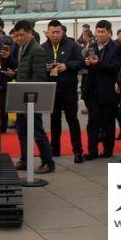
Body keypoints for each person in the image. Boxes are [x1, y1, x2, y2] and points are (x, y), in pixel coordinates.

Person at [11, 20, 54, 174]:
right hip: (22, 96)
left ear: (30, 33)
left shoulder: (37, 50)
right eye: (16, 36)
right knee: (21, 130)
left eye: (22, 35)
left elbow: (38, 77)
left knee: (37, 130)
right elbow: (24, 71)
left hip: (31, 98)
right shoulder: (22, 47)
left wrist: (28, 92)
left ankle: (48, 161)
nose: (18, 38)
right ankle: (24, 159)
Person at [42, 20, 84, 163]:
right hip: (52, 88)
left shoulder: (72, 45)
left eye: (58, 32)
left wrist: (67, 65)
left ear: (62, 31)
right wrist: (46, 67)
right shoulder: (43, 47)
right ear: (47, 33)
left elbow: (81, 62)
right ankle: (55, 149)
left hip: (69, 88)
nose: (55, 35)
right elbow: (39, 65)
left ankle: (78, 152)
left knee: (72, 119)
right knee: (54, 120)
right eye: (52, 32)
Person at [82, 20, 120, 159]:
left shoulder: (115, 48)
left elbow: (114, 68)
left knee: (108, 122)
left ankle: (107, 150)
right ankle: (92, 151)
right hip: (92, 90)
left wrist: (99, 64)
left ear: (109, 32)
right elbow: (85, 64)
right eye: (98, 31)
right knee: (93, 122)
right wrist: (86, 63)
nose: (99, 35)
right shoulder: (92, 46)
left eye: (102, 32)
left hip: (108, 91)